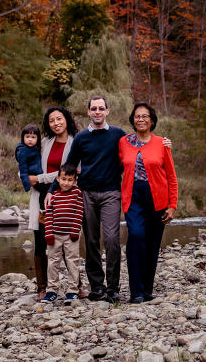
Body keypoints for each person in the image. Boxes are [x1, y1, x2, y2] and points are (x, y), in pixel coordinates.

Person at [65, 95, 126, 303]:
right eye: (94, 109)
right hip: (87, 193)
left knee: (111, 239)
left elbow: (136, 151)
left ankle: (113, 288)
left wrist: (163, 143)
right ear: (88, 112)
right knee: (91, 241)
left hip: (111, 192)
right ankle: (97, 287)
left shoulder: (118, 134)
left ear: (107, 111)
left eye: (101, 108)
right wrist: (53, 191)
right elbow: (70, 166)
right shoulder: (81, 138)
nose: (97, 112)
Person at [119, 103, 177, 304]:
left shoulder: (162, 143)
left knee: (152, 244)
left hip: (158, 198)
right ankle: (136, 291)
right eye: (137, 116)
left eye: (145, 116)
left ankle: (147, 289)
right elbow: (114, 166)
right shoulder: (123, 142)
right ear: (132, 120)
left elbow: (171, 176)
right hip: (133, 196)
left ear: (152, 120)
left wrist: (172, 205)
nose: (140, 119)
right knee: (135, 237)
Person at [27, 106, 78, 301]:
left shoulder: (76, 142)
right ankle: (43, 287)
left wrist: (38, 178)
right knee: (41, 241)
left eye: (59, 118)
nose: (56, 123)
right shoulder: (44, 142)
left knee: (68, 242)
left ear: (66, 119)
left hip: (67, 198)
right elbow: (27, 159)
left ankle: (76, 286)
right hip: (42, 198)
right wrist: (25, 176)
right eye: (51, 120)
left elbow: (73, 172)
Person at [41, 163, 83, 306]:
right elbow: (49, 215)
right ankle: (51, 290)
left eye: (70, 180)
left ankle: (73, 290)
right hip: (55, 235)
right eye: (64, 179)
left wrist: (75, 231)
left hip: (71, 236)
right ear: (58, 178)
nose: (66, 183)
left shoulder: (77, 193)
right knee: (53, 262)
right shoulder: (54, 194)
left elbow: (79, 212)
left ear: (75, 181)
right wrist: (49, 234)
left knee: (72, 262)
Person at [15, 124, 47, 194]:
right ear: (23, 137)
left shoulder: (35, 148)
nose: (30, 139)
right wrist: (27, 184)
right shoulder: (23, 151)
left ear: (38, 138)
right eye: (27, 137)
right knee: (45, 192)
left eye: (33, 137)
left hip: (40, 176)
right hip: (33, 178)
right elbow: (23, 169)